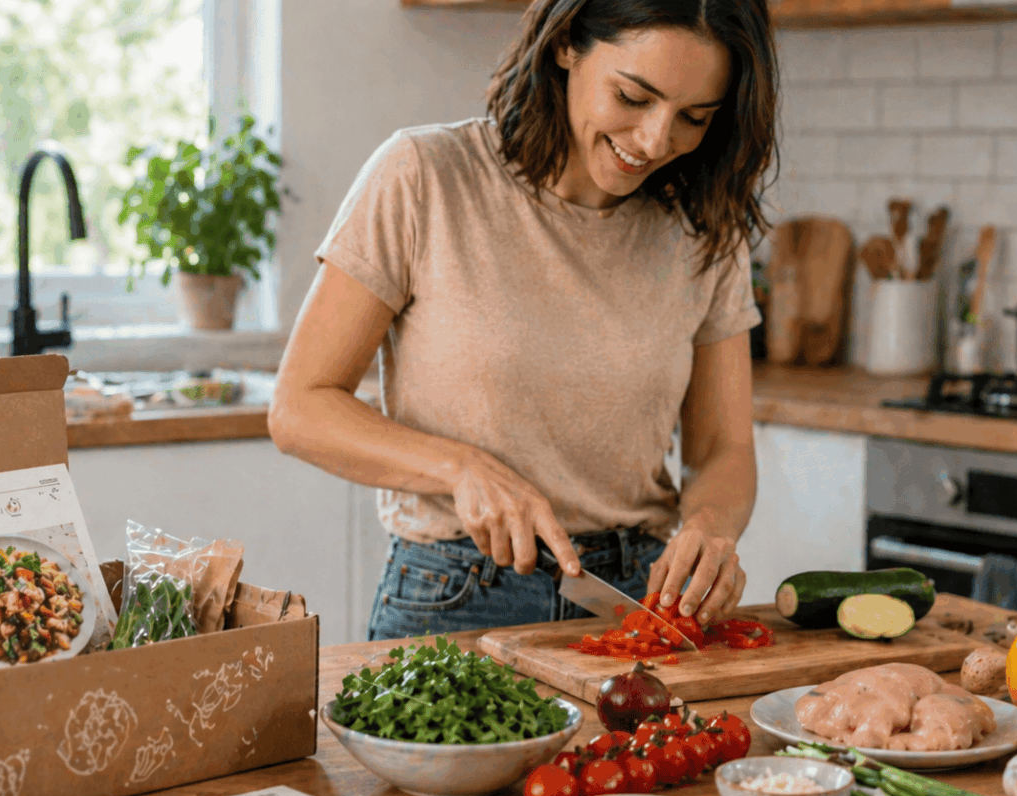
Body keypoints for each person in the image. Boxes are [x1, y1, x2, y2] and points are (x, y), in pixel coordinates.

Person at [269, 0, 779, 641]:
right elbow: (300, 408)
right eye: (632, 97)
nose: (655, 140)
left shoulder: (704, 225)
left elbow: (723, 448)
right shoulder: (425, 175)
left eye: (693, 117)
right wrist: (460, 469)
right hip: (458, 595)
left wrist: (710, 527)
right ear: (566, 44)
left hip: (636, 596)